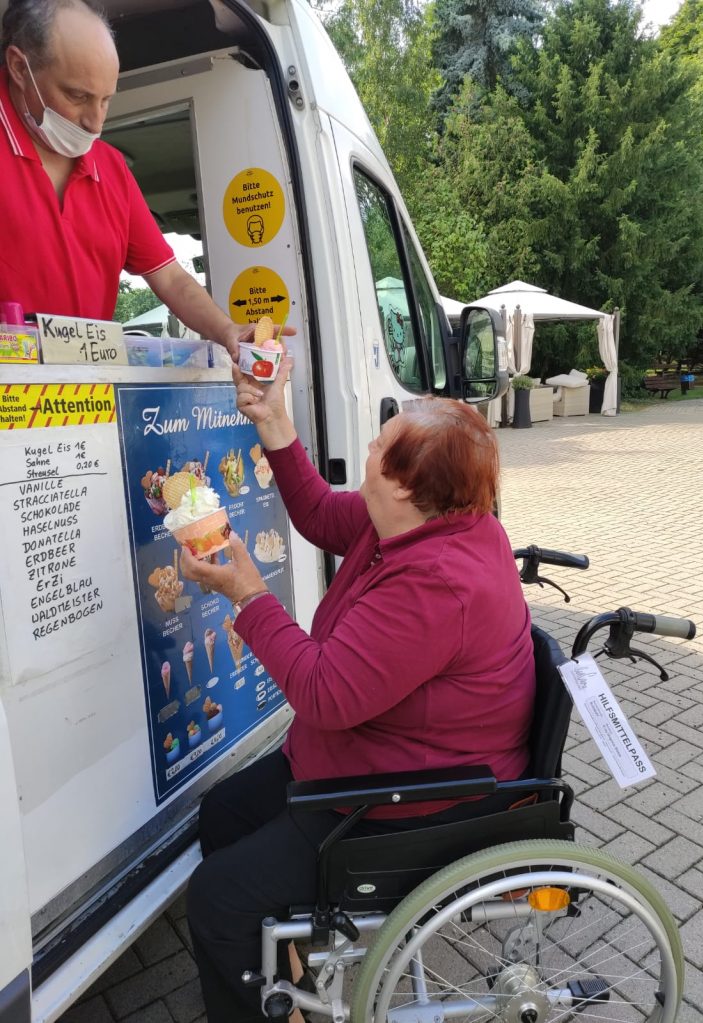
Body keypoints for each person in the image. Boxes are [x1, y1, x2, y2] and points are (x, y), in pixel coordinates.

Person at [180, 356, 536, 1023]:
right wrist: (273, 416)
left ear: (402, 485)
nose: (367, 449)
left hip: (411, 798)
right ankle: (284, 971)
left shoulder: (437, 584)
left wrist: (249, 594)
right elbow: (318, 513)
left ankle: (267, 993)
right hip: (369, 756)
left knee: (216, 899)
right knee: (223, 813)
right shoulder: (416, 521)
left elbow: (322, 692)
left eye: (378, 447)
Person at [0, 0, 248, 358]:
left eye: (105, 100)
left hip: (86, 400)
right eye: (78, 96)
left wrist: (228, 330)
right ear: (19, 68)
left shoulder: (111, 168)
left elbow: (170, 278)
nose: (95, 122)